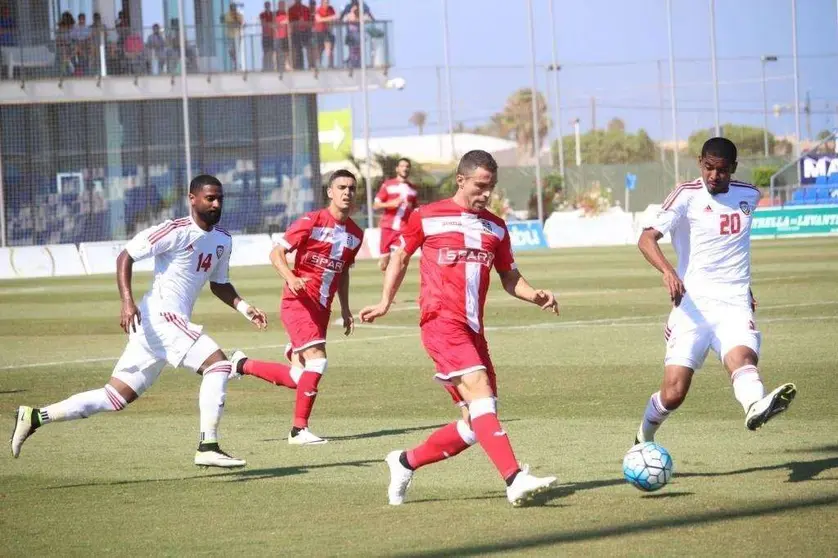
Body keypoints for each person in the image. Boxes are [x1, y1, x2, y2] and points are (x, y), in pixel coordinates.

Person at [10, 175, 269, 468]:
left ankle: (34, 416)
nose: (216, 203)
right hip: (161, 317)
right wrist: (126, 301)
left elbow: (219, 283)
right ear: (192, 198)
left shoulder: (223, 238)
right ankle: (208, 444)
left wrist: (245, 308)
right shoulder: (175, 231)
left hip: (157, 329)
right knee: (219, 364)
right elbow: (126, 256)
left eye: (220, 198)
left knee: (114, 397)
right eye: (210, 198)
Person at [359, 150, 560, 507]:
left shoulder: (496, 226)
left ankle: (405, 462)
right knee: (480, 391)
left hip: (473, 328)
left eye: (492, 187)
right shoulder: (428, 216)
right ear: (461, 180)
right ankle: (514, 479)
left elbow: (509, 276)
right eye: (481, 186)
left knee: (475, 421)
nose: (486, 194)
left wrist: (535, 294)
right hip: (440, 322)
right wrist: (385, 301)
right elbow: (400, 256)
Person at [634, 137, 796, 446]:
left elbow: (734, 250)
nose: (714, 175)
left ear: (733, 168)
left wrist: (745, 289)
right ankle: (644, 437)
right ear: (700, 163)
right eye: (708, 168)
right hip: (692, 307)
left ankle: (755, 405)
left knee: (743, 357)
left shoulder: (749, 195)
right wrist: (668, 271)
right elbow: (646, 239)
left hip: (733, 303)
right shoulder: (685, 195)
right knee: (674, 392)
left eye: (721, 170)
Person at [229, 170, 363, 445]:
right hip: (298, 303)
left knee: (299, 376)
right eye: (341, 187)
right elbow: (276, 253)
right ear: (330, 192)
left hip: (322, 309)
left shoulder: (355, 235)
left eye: (351, 187)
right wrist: (291, 278)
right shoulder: (311, 221)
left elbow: (343, 272)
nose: (347, 192)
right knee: (318, 360)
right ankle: (298, 430)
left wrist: (346, 308)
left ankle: (241, 364)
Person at [373, 157, 418, 273]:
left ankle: (392, 287)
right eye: (402, 166)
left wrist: (412, 209)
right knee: (384, 264)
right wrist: (391, 203)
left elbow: (415, 209)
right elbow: (376, 205)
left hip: (403, 229)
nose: (405, 168)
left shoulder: (413, 189)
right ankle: (387, 288)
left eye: (407, 166)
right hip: (388, 228)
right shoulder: (388, 185)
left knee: (399, 259)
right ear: (397, 169)